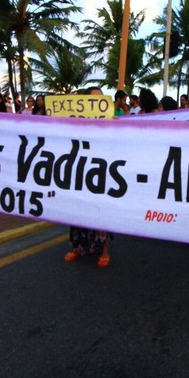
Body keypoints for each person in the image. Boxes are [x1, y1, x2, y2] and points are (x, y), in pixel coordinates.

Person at [64, 86, 112, 268]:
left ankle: (105, 250)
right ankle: (78, 247)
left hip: (101, 173)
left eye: (99, 99)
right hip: (79, 172)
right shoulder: (77, 123)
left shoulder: (111, 122)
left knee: (101, 213)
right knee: (77, 212)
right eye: (91, 100)